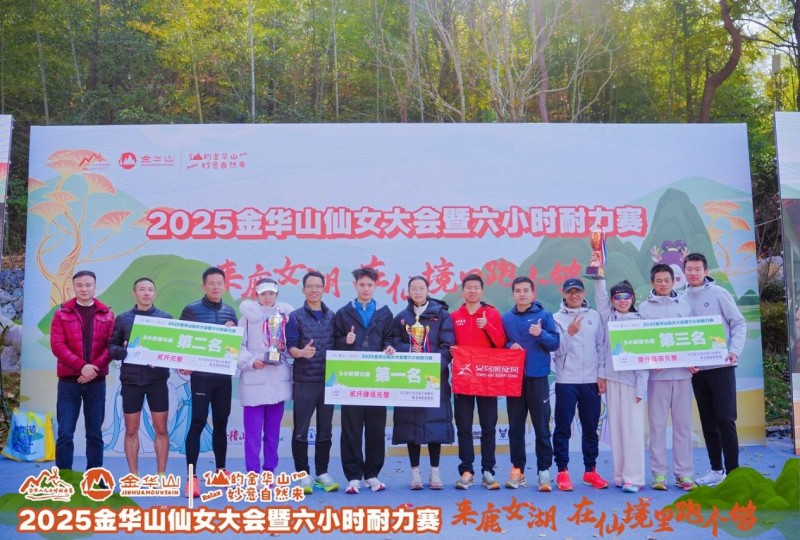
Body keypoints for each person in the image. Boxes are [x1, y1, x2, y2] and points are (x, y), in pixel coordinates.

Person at [683, 252, 746, 487]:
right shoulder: (681, 299)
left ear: (706, 271)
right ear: (684, 271)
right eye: (689, 269)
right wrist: (685, 360)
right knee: (708, 420)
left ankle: (734, 472)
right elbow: (680, 335)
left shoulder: (719, 293)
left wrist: (734, 351)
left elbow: (738, 323)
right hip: (698, 370)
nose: (693, 273)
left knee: (725, 419)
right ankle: (716, 470)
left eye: (697, 269)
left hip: (722, 366)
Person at [333, 267, 396, 494]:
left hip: (377, 379)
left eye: (370, 285)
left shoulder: (385, 313)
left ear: (375, 286)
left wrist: (389, 347)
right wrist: (345, 340)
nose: (366, 289)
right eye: (362, 285)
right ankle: (353, 476)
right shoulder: (343, 313)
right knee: (351, 428)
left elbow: (390, 338)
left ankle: (372, 475)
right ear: (355, 285)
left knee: (376, 428)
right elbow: (334, 342)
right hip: (351, 379)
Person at [391, 276, 455, 490]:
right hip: (409, 378)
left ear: (428, 290)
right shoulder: (401, 318)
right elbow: (393, 343)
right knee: (411, 426)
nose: (417, 292)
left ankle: (435, 472)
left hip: (433, 379)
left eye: (421, 288)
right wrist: (409, 350)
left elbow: (448, 346)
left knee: (434, 423)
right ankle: (415, 473)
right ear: (408, 292)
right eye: (414, 289)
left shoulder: (442, 316)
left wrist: (433, 367)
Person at [180, 267, 238, 498]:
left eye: (219, 283)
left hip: (223, 378)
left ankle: (221, 471)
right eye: (211, 283)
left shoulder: (229, 311)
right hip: (202, 378)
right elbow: (182, 340)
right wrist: (185, 362)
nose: (215, 287)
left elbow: (233, 347)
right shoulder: (191, 310)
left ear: (224, 285)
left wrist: (231, 334)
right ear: (203, 286)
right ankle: (191, 478)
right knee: (197, 422)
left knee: (221, 423)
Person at [638, 263, 695, 491]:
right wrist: (652, 360)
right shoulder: (643, 308)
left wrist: (693, 358)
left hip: (682, 375)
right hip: (657, 377)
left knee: (683, 426)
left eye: (667, 280)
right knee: (657, 426)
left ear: (674, 281)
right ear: (652, 282)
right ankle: (659, 474)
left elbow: (692, 336)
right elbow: (641, 341)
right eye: (659, 281)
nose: (663, 284)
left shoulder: (685, 305)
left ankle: (684, 473)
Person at [52, 270, 115, 471]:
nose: (84, 289)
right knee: (65, 432)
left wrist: (92, 370)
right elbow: (57, 345)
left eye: (88, 285)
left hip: (96, 382)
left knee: (95, 433)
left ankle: (94, 476)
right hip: (68, 383)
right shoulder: (62, 313)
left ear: (95, 287)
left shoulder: (107, 314)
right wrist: (82, 367)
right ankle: (64, 477)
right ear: (73, 287)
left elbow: (110, 346)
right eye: (79, 285)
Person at [108, 277, 172, 477]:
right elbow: (112, 346)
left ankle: (161, 474)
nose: (146, 293)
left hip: (157, 381)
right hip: (131, 381)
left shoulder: (165, 318)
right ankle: (134, 475)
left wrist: (160, 358)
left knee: (161, 429)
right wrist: (120, 352)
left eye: (150, 289)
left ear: (155, 293)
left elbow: (173, 348)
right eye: (142, 289)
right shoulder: (123, 318)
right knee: (131, 429)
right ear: (134, 293)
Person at [501, 276, 559, 492]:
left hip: (538, 378)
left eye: (526, 290)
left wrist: (540, 333)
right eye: (518, 291)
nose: (522, 294)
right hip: (514, 380)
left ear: (533, 293)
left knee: (542, 428)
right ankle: (518, 471)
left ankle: (544, 472)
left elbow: (555, 343)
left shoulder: (545, 315)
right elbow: (499, 344)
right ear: (513, 294)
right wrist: (509, 346)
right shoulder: (506, 318)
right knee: (515, 429)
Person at [450, 273, 506, 490]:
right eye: (468, 287)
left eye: (476, 287)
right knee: (463, 425)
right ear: (463, 291)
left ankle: (488, 470)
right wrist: (451, 350)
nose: (472, 291)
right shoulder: (454, 316)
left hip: (486, 378)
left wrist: (487, 326)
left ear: (482, 291)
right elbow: (448, 343)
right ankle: (466, 470)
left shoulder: (491, 313)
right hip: (463, 378)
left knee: (488, 425)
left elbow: (500, 343)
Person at [552, 277, 608, 491]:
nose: (574, 295)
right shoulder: (556, 318)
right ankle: (562, 471)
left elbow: (601, 347)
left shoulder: (594, 316)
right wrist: (570, 333)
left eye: (578, 291)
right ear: (563, 294)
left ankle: (590, 471)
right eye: (570, 292)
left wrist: (601, 374)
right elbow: (557, 351)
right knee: (562, 428)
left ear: (584, 293)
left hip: (591, 381)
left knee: (590, 428)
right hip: (566, 381)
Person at [286, 271, 339, 493]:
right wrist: (301, 353)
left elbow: (339, 344)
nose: (314, 290)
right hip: (304, 381)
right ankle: (303, 474)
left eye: (318, 286)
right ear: (303, 289)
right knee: (301, 430)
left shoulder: (332, 316)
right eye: (310, 286)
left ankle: (321, 473)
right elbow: (290, 346)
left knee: (325, 430)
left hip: (328, 383)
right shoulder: (295, 317)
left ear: (324, 289)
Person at [594, 277, 647, 493]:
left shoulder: (640, 320)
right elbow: (600, 297)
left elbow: (645, 356)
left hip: (632, 383)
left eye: (626, 296)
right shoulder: (608, 318)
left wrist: (641, 386)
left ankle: (634, 478)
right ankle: (620, 475)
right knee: (616, 430)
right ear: (612, 300)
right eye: (617, 297)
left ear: (632, 298)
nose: (622, 300)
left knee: (633, 430)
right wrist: (599, 275)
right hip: (612, 380)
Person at [237, 278, 293, 475]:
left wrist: (284, 349)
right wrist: (251, 362)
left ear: (276, 294)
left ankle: (269, 471)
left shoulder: (285, 317)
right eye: (263, 294)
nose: (267, 297)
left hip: (278, 384)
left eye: (271, 293)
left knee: (273, 434)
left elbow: (292, 344)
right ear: (256, 295)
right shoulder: (246, 318)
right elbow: (235, 346)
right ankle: (253, 473)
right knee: (252, 436)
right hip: (254, 383)